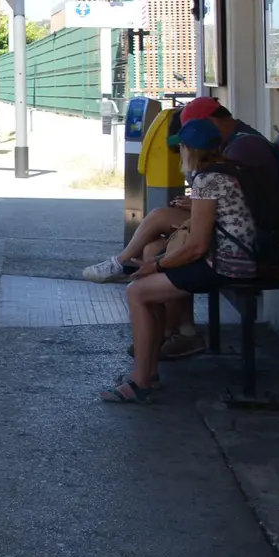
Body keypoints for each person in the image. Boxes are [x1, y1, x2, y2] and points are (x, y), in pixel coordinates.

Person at [80, 96, 279, 357]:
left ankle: (160, 349)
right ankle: (172, 333)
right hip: (231, 241)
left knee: (150, 273)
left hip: (234, 251)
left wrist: (161, 263)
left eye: (185, 143)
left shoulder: (242, 149)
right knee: (153, 247)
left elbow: (206, 237)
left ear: (208, 126)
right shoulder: (231, 149)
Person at [101, 119, 261, 403]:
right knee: (149, 291)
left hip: (225, 264)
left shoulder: (206, 179)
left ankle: (141, 383)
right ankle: (148, 374)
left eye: (182, 148)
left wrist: (158, 264)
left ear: (189, 150)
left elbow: (197, 245)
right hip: (237, 258)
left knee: (137, 291)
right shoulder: (227, 171)